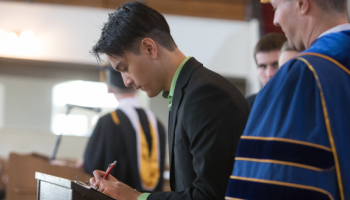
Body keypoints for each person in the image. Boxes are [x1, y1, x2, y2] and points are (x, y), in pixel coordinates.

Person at [89, 2, 250, 200]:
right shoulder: (187, 92)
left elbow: (209, 196)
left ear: (149, 48)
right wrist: (129, 193)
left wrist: (134, 197)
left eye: (124, 68)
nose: (127, 81)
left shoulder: (206, 95)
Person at [226, 0, 350, 199]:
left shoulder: (303, 76)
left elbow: (274, 184)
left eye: (276, 7)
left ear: (302, 4)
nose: (275, 20)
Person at [83, 67, 166, 192]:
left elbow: (91, 164)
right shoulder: (158, 124)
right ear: (136, 88)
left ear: (111, 89)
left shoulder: (107, 122)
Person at [246, 33, 287, 108]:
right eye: (263, 66)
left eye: (276, 65)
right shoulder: (246, 105)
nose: (269, 74)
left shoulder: (305, 102)